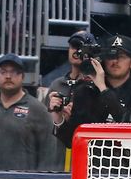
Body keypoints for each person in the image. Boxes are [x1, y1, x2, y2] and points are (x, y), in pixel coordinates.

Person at [46, 31, 121, 170]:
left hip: (101, 165)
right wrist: (59, 119)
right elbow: (69, 138)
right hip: (65, 162)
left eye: (82, 47)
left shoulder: (102, 85)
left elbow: (120, 118)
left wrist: (101, 85)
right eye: (74, 46)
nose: (78, 51)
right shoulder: (58, 85)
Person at [0, 53, 57, 171]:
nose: (8, 76)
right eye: (3, 72)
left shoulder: (38, 110)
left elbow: (48, 154)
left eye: (14, 72)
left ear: (22, 76)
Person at [101, 34, 131, 123]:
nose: (115, 61)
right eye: (111, 56)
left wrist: (104, 90)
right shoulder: (93, 89)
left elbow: (128, 124)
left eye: (121, 56)